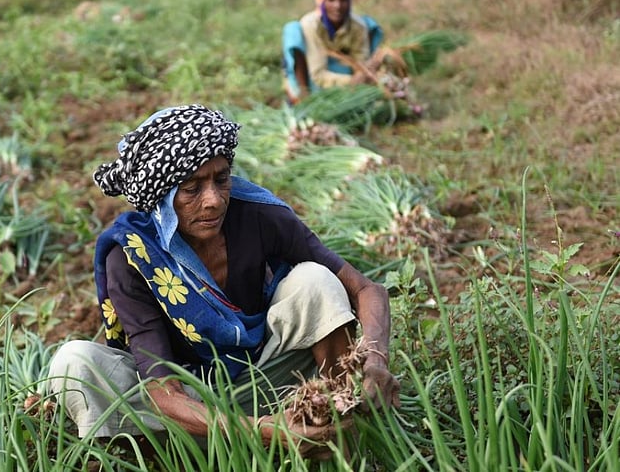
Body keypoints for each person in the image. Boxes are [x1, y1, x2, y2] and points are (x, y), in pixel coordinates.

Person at [48, 104, 399, 456]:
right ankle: (160, 452)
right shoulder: (132, 257)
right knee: (74, 362)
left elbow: (366, 289)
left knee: (315, 280)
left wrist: (374, 360)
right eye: (191, 188)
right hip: (184, 405)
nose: (214, 200)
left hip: (264, 373)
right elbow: (160, 391)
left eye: (221, 178)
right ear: (162, 197)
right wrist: (262, 430)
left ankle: (339, 420)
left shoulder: (259, 216)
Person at [282, 0, 384, 104]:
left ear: (350, 1)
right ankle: (301, 95)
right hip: (313, 72)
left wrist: (365, 74)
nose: (338, 6)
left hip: (342, 71)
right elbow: (317, 74)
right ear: (321, 2)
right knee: (292, 31)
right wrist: (352, 81)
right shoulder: (310, 25)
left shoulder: (358, 26)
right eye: (331, 0)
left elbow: (360, 63)